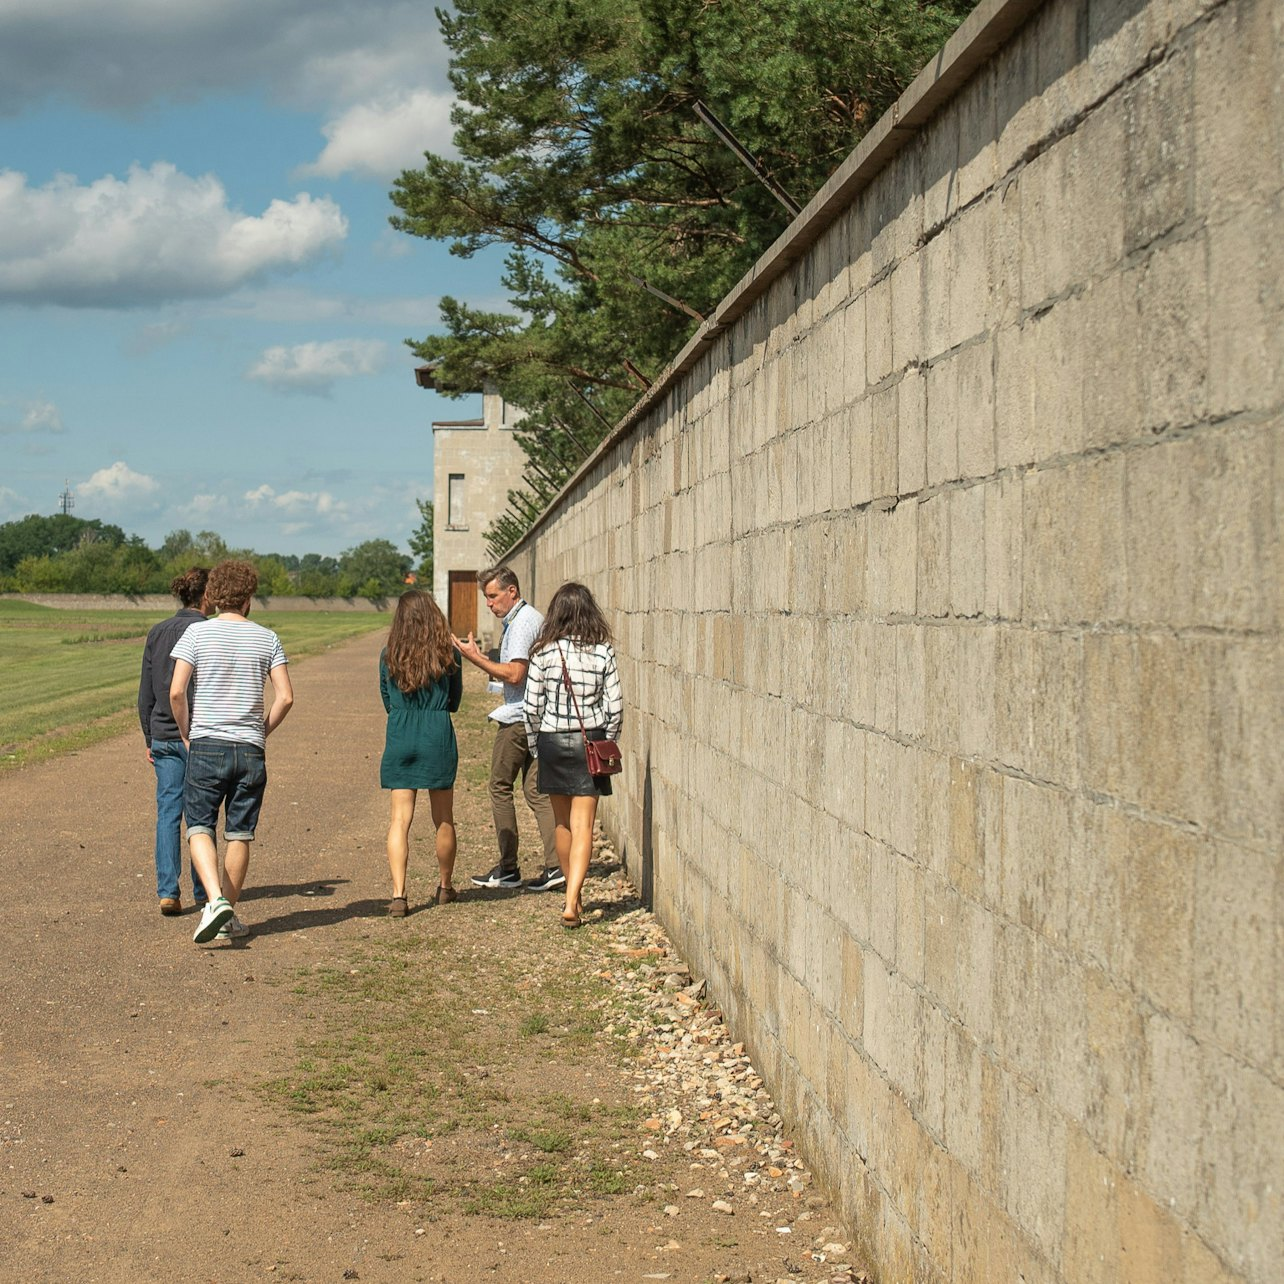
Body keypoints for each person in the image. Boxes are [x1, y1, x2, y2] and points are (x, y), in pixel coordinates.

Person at [169, 559, 294, 944]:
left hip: (207, 743)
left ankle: (216, 900)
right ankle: (226, 917)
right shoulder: (267, 637)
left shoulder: (196, 635)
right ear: (249, 597)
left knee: (200, 826)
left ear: (213, 595)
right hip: (250, 748)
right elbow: (286, 697)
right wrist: (261, 730)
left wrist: (188, 733)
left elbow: (176, 692)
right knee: (240, 833)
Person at [451, 566, 559, 891]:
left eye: (493, 596)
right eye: (486, 597)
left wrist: (475, 658)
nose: (489, 603)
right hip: (535, 715)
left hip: (519, 717)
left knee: (499, 787)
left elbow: (515, 674)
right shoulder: (523, 619)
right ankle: (557, 866)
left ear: (512, 592)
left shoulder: (524, 622)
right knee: (535, 790)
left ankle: (508, 869)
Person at [522, 581, 623, 928]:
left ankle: (572, 895)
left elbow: (531, 706)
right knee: (585, 828)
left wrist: (536, 745)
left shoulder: (543, 651)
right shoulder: (603, 651)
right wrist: (606, 742)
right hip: (589, 742)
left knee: (562, 824)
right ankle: (571, 900)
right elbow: (616, 707)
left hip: (551, 740)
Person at [379, 590, 463, 916]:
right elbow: (454, 702)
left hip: (401, 734)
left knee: (399, 820)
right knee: (443, 819)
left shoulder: (389, 655)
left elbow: (387, 701)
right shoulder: (447, 656)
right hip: (437, 735)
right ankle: (445, 886)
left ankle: (399, 894)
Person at [137, 566, 210, 916]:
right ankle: (203, 888)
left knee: (168, 811)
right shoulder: (207, 631)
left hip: (163, 733)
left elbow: (145, 693)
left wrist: (150, 737)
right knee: (200, 814)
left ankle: (168, 890)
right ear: (207, 596)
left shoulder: (158, 631)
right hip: (197, 735)